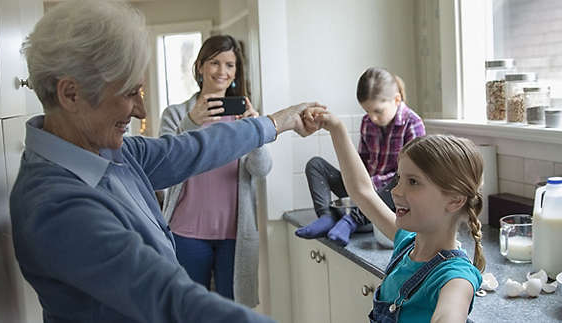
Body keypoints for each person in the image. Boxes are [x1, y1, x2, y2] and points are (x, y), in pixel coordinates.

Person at [10, 1, 324, 322]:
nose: (140, 111)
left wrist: (276, 122)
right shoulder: (55, 206)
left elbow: (192, 148)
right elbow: (172, 301)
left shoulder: (114, 152)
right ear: (71, 94)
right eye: (130, 93)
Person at [302, 108, 484, 322]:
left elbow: (449, 314)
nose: (396, 191)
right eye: (399, 178)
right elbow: (362, 192)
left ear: (454, 200)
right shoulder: (406, 243)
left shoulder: (456, 278)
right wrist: (336, 127)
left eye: (413, 182)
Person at [159, 35, 269, 307]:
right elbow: (165, 164)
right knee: (187, 308)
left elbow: (262, 168)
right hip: (185, 232)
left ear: (236, 72)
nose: (222, 71)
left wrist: (255, 130)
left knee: (231, 311)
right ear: (199, 67)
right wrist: (191, 122)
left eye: (230, 65)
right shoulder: (176, 114)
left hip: (234, 235)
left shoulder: (245, 116)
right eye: (214, 63)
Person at [295, 68, 426, 246]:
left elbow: (412, 177)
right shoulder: (367, 122)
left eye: (378, 111)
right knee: (315, 165)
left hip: (389, 198)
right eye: (367, 111)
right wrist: (359, 183)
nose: (372, 117)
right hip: (363, 190)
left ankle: (351, 221)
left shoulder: (413, 123)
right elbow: (360, 162)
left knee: (401, 178)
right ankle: (327, 217)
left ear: (396, 100)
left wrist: (370, 185)